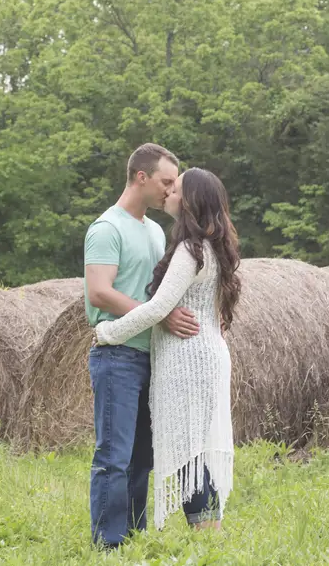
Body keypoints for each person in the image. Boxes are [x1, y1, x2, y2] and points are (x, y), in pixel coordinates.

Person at [95, 167, 241, 532]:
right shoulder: (210, 247)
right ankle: (210, 533)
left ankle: (210, 537)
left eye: (174, 188)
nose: (168, 193)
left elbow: (159, 308)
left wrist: (109, 332)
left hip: (188, 360)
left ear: (189, 200)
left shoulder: (191, 250)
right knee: (191, 450)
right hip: (205, 355)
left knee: (187, 453)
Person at [85, 143, 200, 549]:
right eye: (167, 182)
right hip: (116, 356)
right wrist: (159, 314)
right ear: (141, 177)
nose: (172, 191)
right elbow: (99, 292)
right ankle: (108, 545)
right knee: (113, 458)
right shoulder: (106, 228)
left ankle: (133, 538)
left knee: (141, 459)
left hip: (154, 357)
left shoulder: (155, 230)